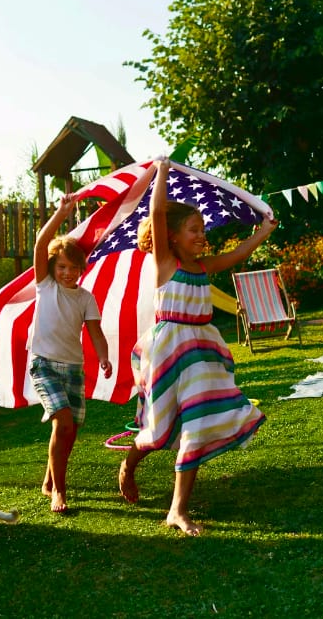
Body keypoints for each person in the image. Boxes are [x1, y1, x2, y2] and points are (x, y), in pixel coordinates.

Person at [118, 158, 276, 536]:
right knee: (158, 432)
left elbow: (239, 255)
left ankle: (178, 510)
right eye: (193, 229)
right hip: (170, 352)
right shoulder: (165, 264)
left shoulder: (204, 267)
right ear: (171, 236)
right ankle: (130, 461)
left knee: (197, 423)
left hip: (201, 353)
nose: (201, 235)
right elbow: (156, 211)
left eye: (202, 228)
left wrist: (264, 232)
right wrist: (162, 173)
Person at [30, 194, 112, 513]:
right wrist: (60, 214)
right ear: (53, 266)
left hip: (73, 368)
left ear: (81, 268)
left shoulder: (85, 298)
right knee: (62, 423)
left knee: (70, 431)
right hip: (44, 365)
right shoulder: (45, 285)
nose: (67, 273)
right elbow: (40, 243)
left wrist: (103, 357)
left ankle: (50, 478)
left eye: (73, 268)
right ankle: (59, 492)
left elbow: (95, 333)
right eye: (61, 267)